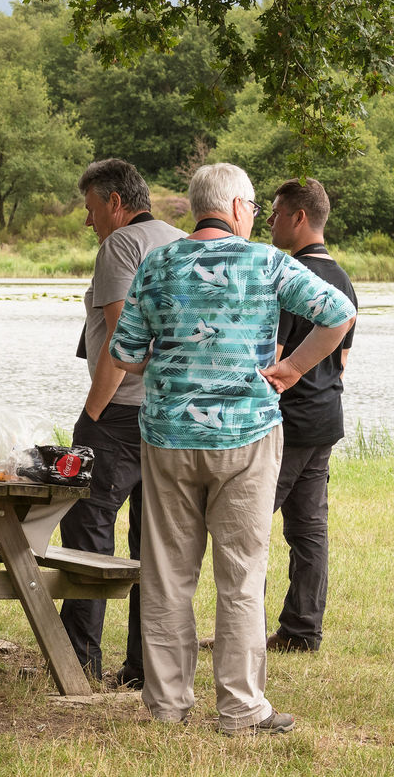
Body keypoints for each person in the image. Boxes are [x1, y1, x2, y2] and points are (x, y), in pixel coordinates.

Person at [109, 163, 355, 735]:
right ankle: (241, 709)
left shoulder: (157, 263)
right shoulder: (268, 263)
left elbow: (123, 353)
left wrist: (171, 358)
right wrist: (292, 368)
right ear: (241, 208)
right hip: (246, 434)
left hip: (168, 436)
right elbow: (338, 314)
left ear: (199, 208)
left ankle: (167, 706)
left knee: (167, 572)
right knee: (241, 573)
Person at [62, 159, 184, 689]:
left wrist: (90, 415)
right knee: (151, 546)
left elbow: (120, 341)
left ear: (115, 201)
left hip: (118, 415)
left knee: (87, 535)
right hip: (168, 414)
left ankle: (77, 662)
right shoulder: (181, 240)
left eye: (91, 209)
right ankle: (142, 668)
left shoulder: (120, 247)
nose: (88, 222)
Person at [264, 178, 356, 653]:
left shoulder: (287, 277)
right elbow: (341, 360)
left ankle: (245, 633)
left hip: (289, 420)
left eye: (277, 212)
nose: (271, 220)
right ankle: (302, 630)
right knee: (308, 530)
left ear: (299, 218)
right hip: (326, 418)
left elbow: (273, 355)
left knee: (252, 525)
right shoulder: (343, 280)